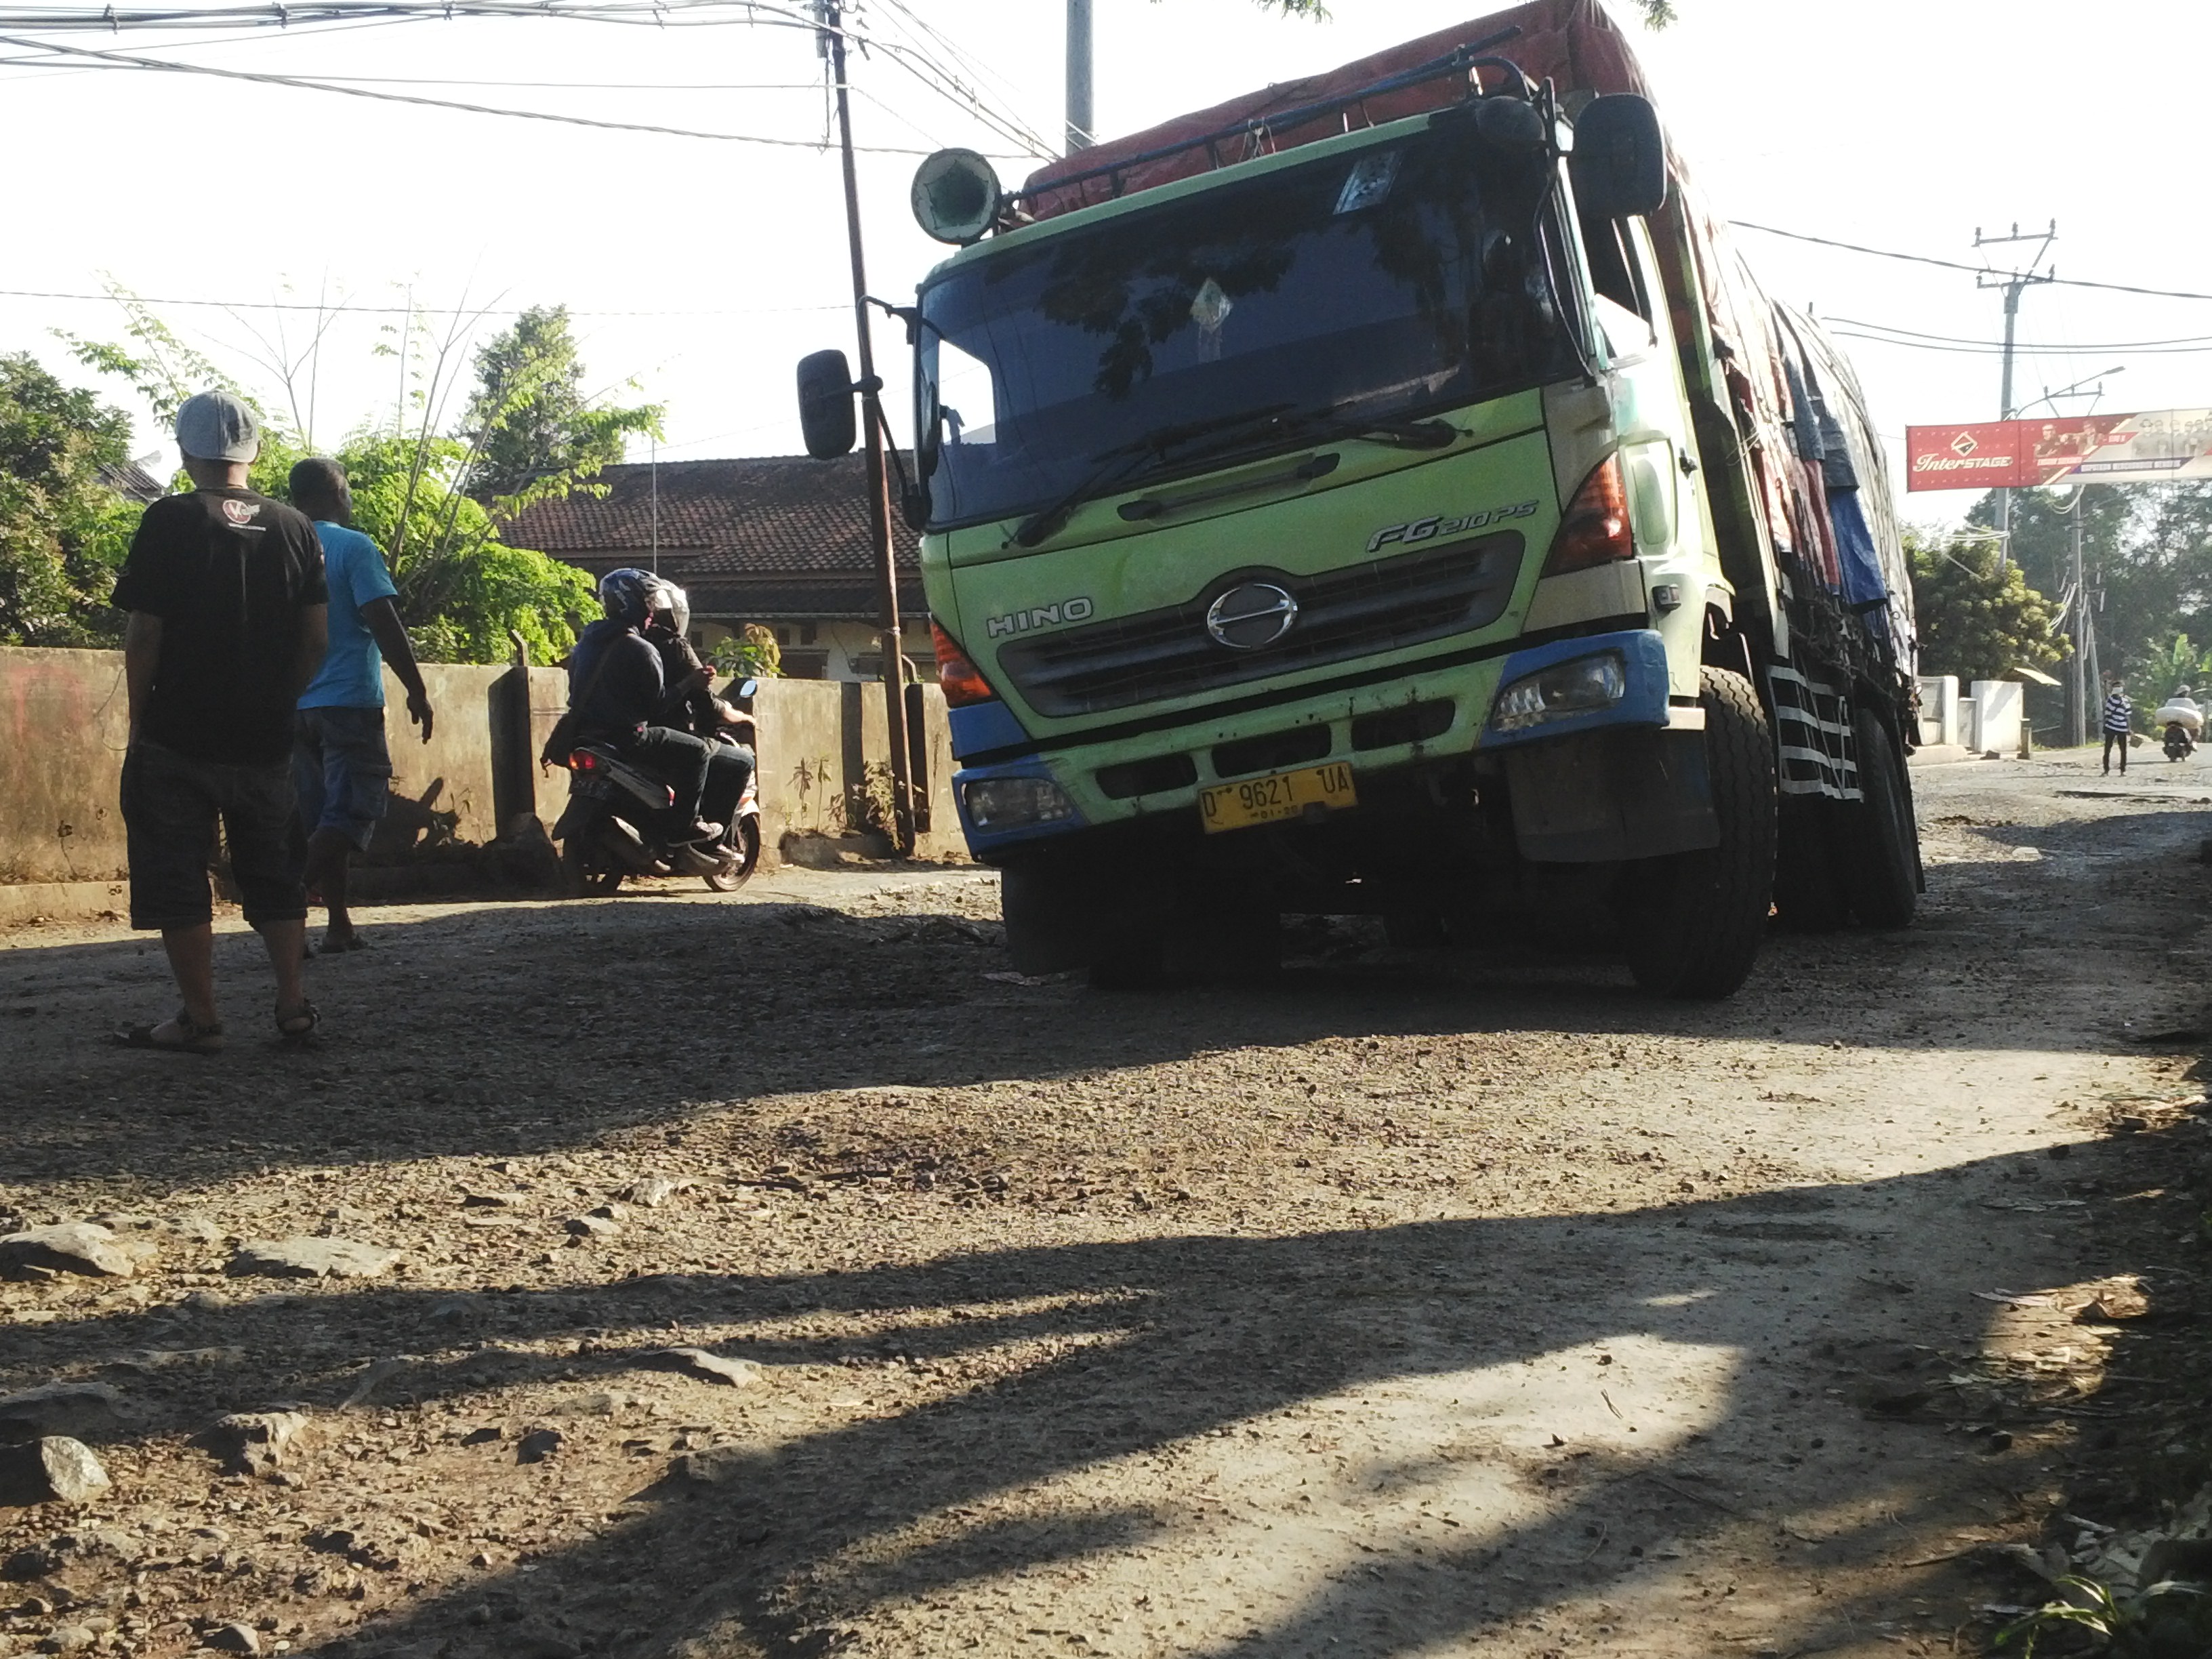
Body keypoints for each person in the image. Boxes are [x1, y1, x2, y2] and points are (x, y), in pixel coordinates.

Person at [112, 390, 329, 1054]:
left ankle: (200, 1019)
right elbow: (316, 639)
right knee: (273, 869)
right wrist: (278, 699)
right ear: (255, 453)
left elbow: (144, 631)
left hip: (179, 734)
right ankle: (292, 1004)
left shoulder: (169, 520)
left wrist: (139, 719)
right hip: (264, 740)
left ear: (185, 453)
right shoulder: (298, 528)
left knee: (176, 872)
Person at [289, 458, 435, 954]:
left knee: (320, 821)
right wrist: (416, 688)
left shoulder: (278, 546)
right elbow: (383, 620)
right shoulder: (353, 547)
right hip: (348, 702)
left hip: (295, 706)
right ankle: (283, 904)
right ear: (336, 492)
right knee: (352, 812)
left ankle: (338, 924)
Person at [565, 568, 719, 841]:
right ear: (632, 604)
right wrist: (690, 683)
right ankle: (686, 825)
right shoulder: (641, 648)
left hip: (586, 734)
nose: (652, 612)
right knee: (698, 751)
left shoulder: (586, 644)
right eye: (649, 603)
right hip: (630, 738)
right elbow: (656, 707)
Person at [638, 578, 755, 830]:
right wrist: (741, 716)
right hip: (664, 737)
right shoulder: (675, 646)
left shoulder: (622, 644)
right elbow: (706, 704)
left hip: (621, 737)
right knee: (742, 761)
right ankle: (709, 834)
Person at [2102, 674, 2133, 775]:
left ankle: (2108, 770)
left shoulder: (2110, 700)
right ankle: (2121, 771)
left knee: (2108, 749)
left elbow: (2107, 714)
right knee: (2122, 750)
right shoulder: (2125, 701)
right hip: (2122, 728)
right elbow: (2128, 716)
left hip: (2111, 727)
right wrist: (2129, 728)